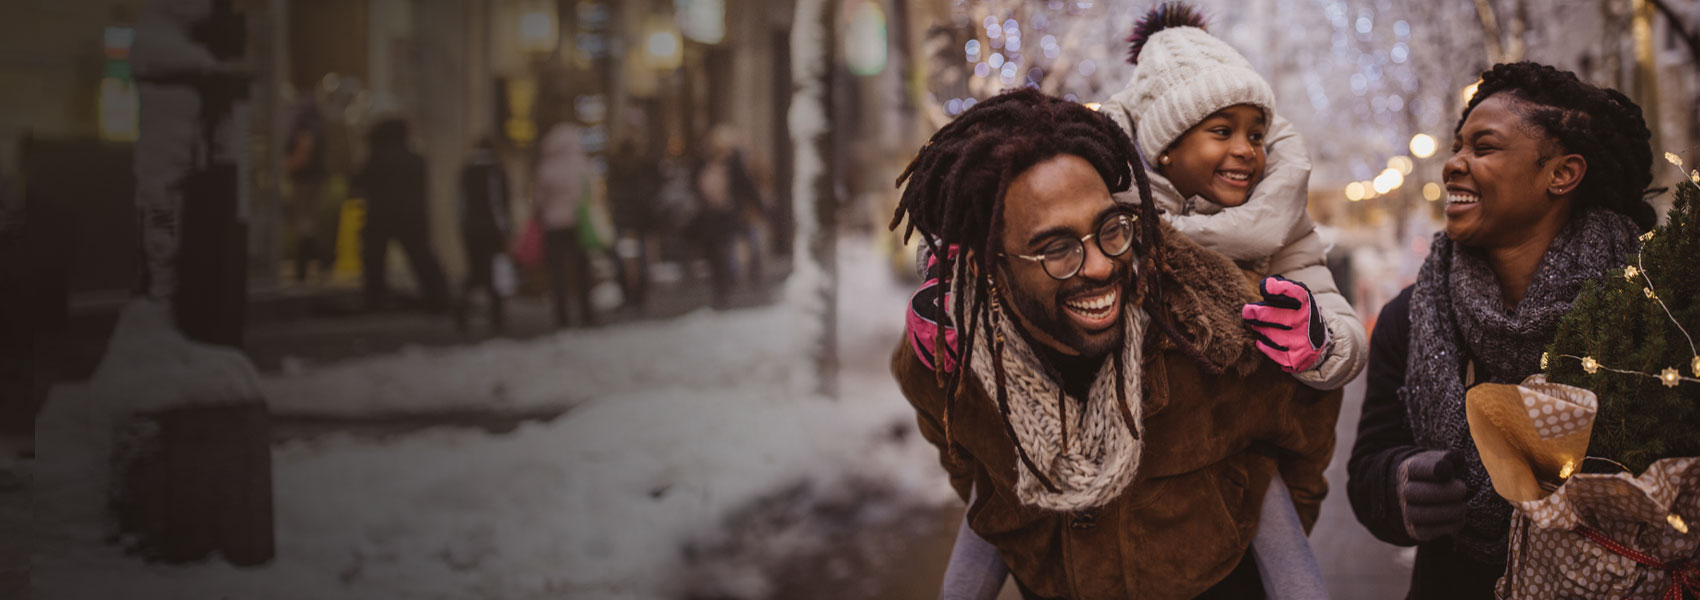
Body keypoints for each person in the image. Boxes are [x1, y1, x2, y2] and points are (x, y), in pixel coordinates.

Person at [890, 88, 1340, 599]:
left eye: (1109, 229)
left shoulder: (1213, 334)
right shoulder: (945, 364)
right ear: (986, 266)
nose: (1102, 265)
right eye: (1055, 248)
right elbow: (974, 474)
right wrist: (1035, 548)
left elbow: (1304, 439)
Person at [1347, 62, 1658, 599]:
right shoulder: (1413, 315)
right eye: (1457, 146)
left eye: (1483, 147)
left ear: (1561, 174)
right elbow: (1370, 463)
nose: (1453, 165)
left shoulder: (1651, 308)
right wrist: (1401, 484)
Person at [1095, 2, 1366, 390]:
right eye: (1222, 132)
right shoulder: (1109, 218)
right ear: (1166, 147)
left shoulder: (1281, 220)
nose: (1246, 150)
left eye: (1256, 136)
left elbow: (1344, 327)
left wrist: (1323, 342)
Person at [353, 118, 450, 312]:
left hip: (381, 216)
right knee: (422, 257)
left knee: (374, 259)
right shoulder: (416, 160)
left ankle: (375, 299)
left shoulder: (377, 157)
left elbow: (360, 184)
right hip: (411, 218)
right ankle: (439, 296)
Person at [690, 126, 763, 309]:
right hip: (709, 217)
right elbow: (694, 185)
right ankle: (720, 290)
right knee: (714, 256)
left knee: (726, 252)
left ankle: (724, 290)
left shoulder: (734, 164)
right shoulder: (703, 162)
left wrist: (760, 208)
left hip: (728, 215)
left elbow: (747, 187)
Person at [534, 123, 597, 328]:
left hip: (554, 225)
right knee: (581, 270)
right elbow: (591, 193)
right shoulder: (582, 164)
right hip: (579, 223)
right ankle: (586, 311)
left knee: (557, 272)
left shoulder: (546, 166)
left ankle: (562, 315)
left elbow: (539, 198)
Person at [454, 137, 512, 333]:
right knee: (493, 271)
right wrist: (505, 229)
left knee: (475, 269)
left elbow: (460, 203)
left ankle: (462, 305)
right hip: (491, 229)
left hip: (471, 229)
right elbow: (498, 204)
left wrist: (463, 227)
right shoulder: (495, 171)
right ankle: (496, 314)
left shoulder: (466, 170)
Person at [607, 139, 662, 311]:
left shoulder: (617, 167)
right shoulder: (644, 164)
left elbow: (614, 192)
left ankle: (629, 294)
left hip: (625, 220)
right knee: (640, 257)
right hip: (641, 219)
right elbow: (656, 186)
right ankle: (640, 294)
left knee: (626, 258)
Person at [284, 95, 330, 282]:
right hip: (314, 177)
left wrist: (287, 164)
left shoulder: (304, 123)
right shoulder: (317, 122)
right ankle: (312, 261)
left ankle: (312, 260)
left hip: (304, 178)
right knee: (306, 221)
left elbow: (305, 147)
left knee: (303, 223)